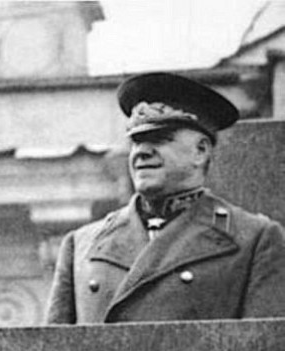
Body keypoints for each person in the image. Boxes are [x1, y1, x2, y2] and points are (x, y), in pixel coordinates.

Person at [46, 72, 285, 324]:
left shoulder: (253, 240)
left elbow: (263, 345)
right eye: (136, 142)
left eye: (159, 139)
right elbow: (53, 347)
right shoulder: (81, 245)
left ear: (200, 151)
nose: (141, 152)